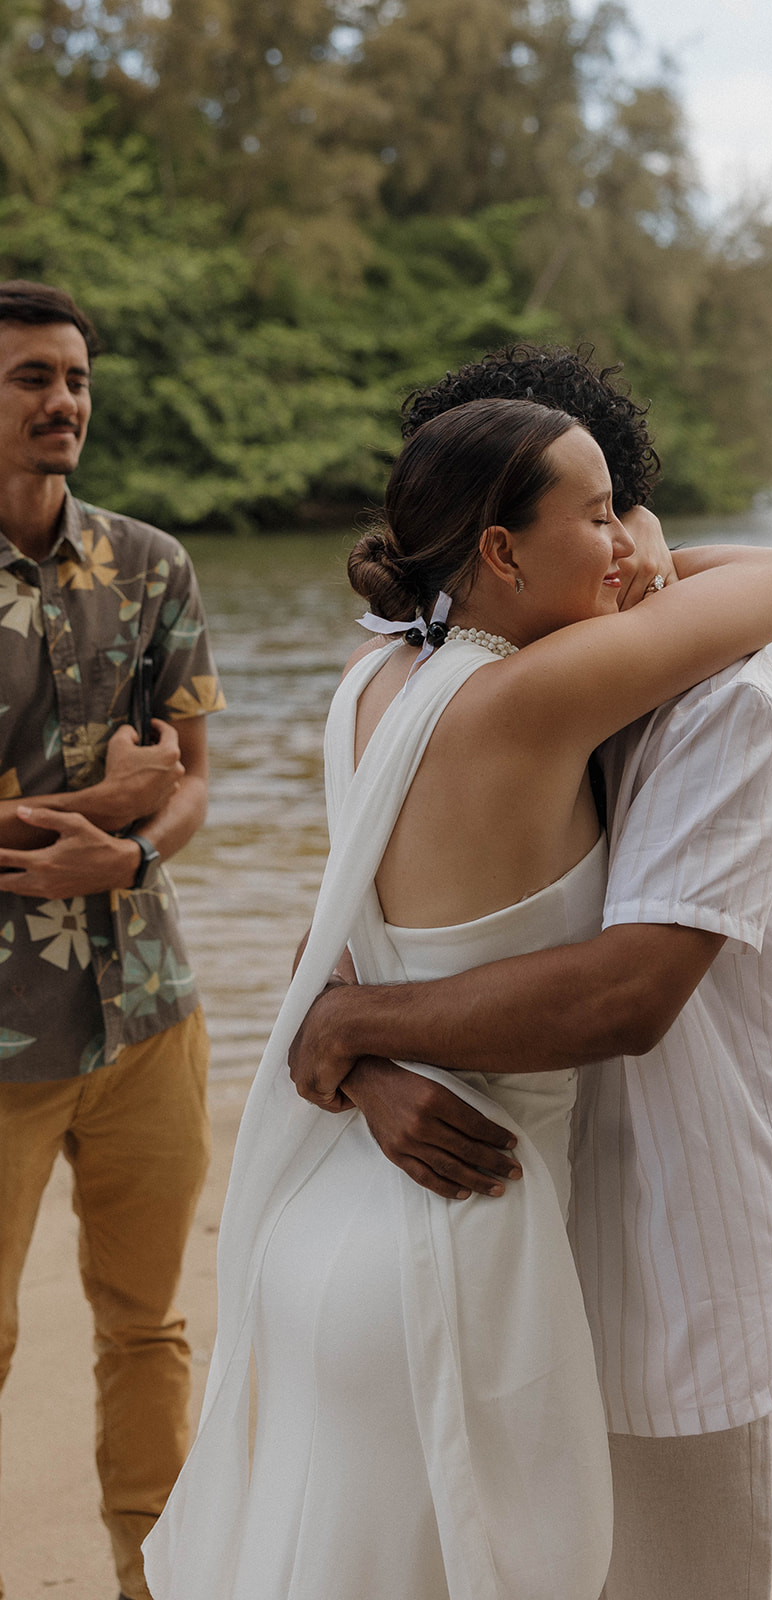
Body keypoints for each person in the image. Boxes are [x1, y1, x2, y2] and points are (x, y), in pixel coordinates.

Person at [144, 397, 772, 1600]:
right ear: (499, 549)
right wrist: (659, 551)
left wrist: (357, 1041)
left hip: (331, 1229)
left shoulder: (369, 681)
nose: (622, 541)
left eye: (626, 507)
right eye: (597, 512)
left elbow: (337, 942)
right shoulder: (542, 694)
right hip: (461, 1237)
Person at [0, 280, 225, 1600]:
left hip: (147, 1010)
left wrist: (135, 847)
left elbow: (193, 775)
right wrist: (106, 806)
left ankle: (156, 1584)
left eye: (74, 379)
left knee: (148, 1328)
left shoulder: (150, 565)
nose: (63, 401)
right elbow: (145, 779)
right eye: (32, 377)